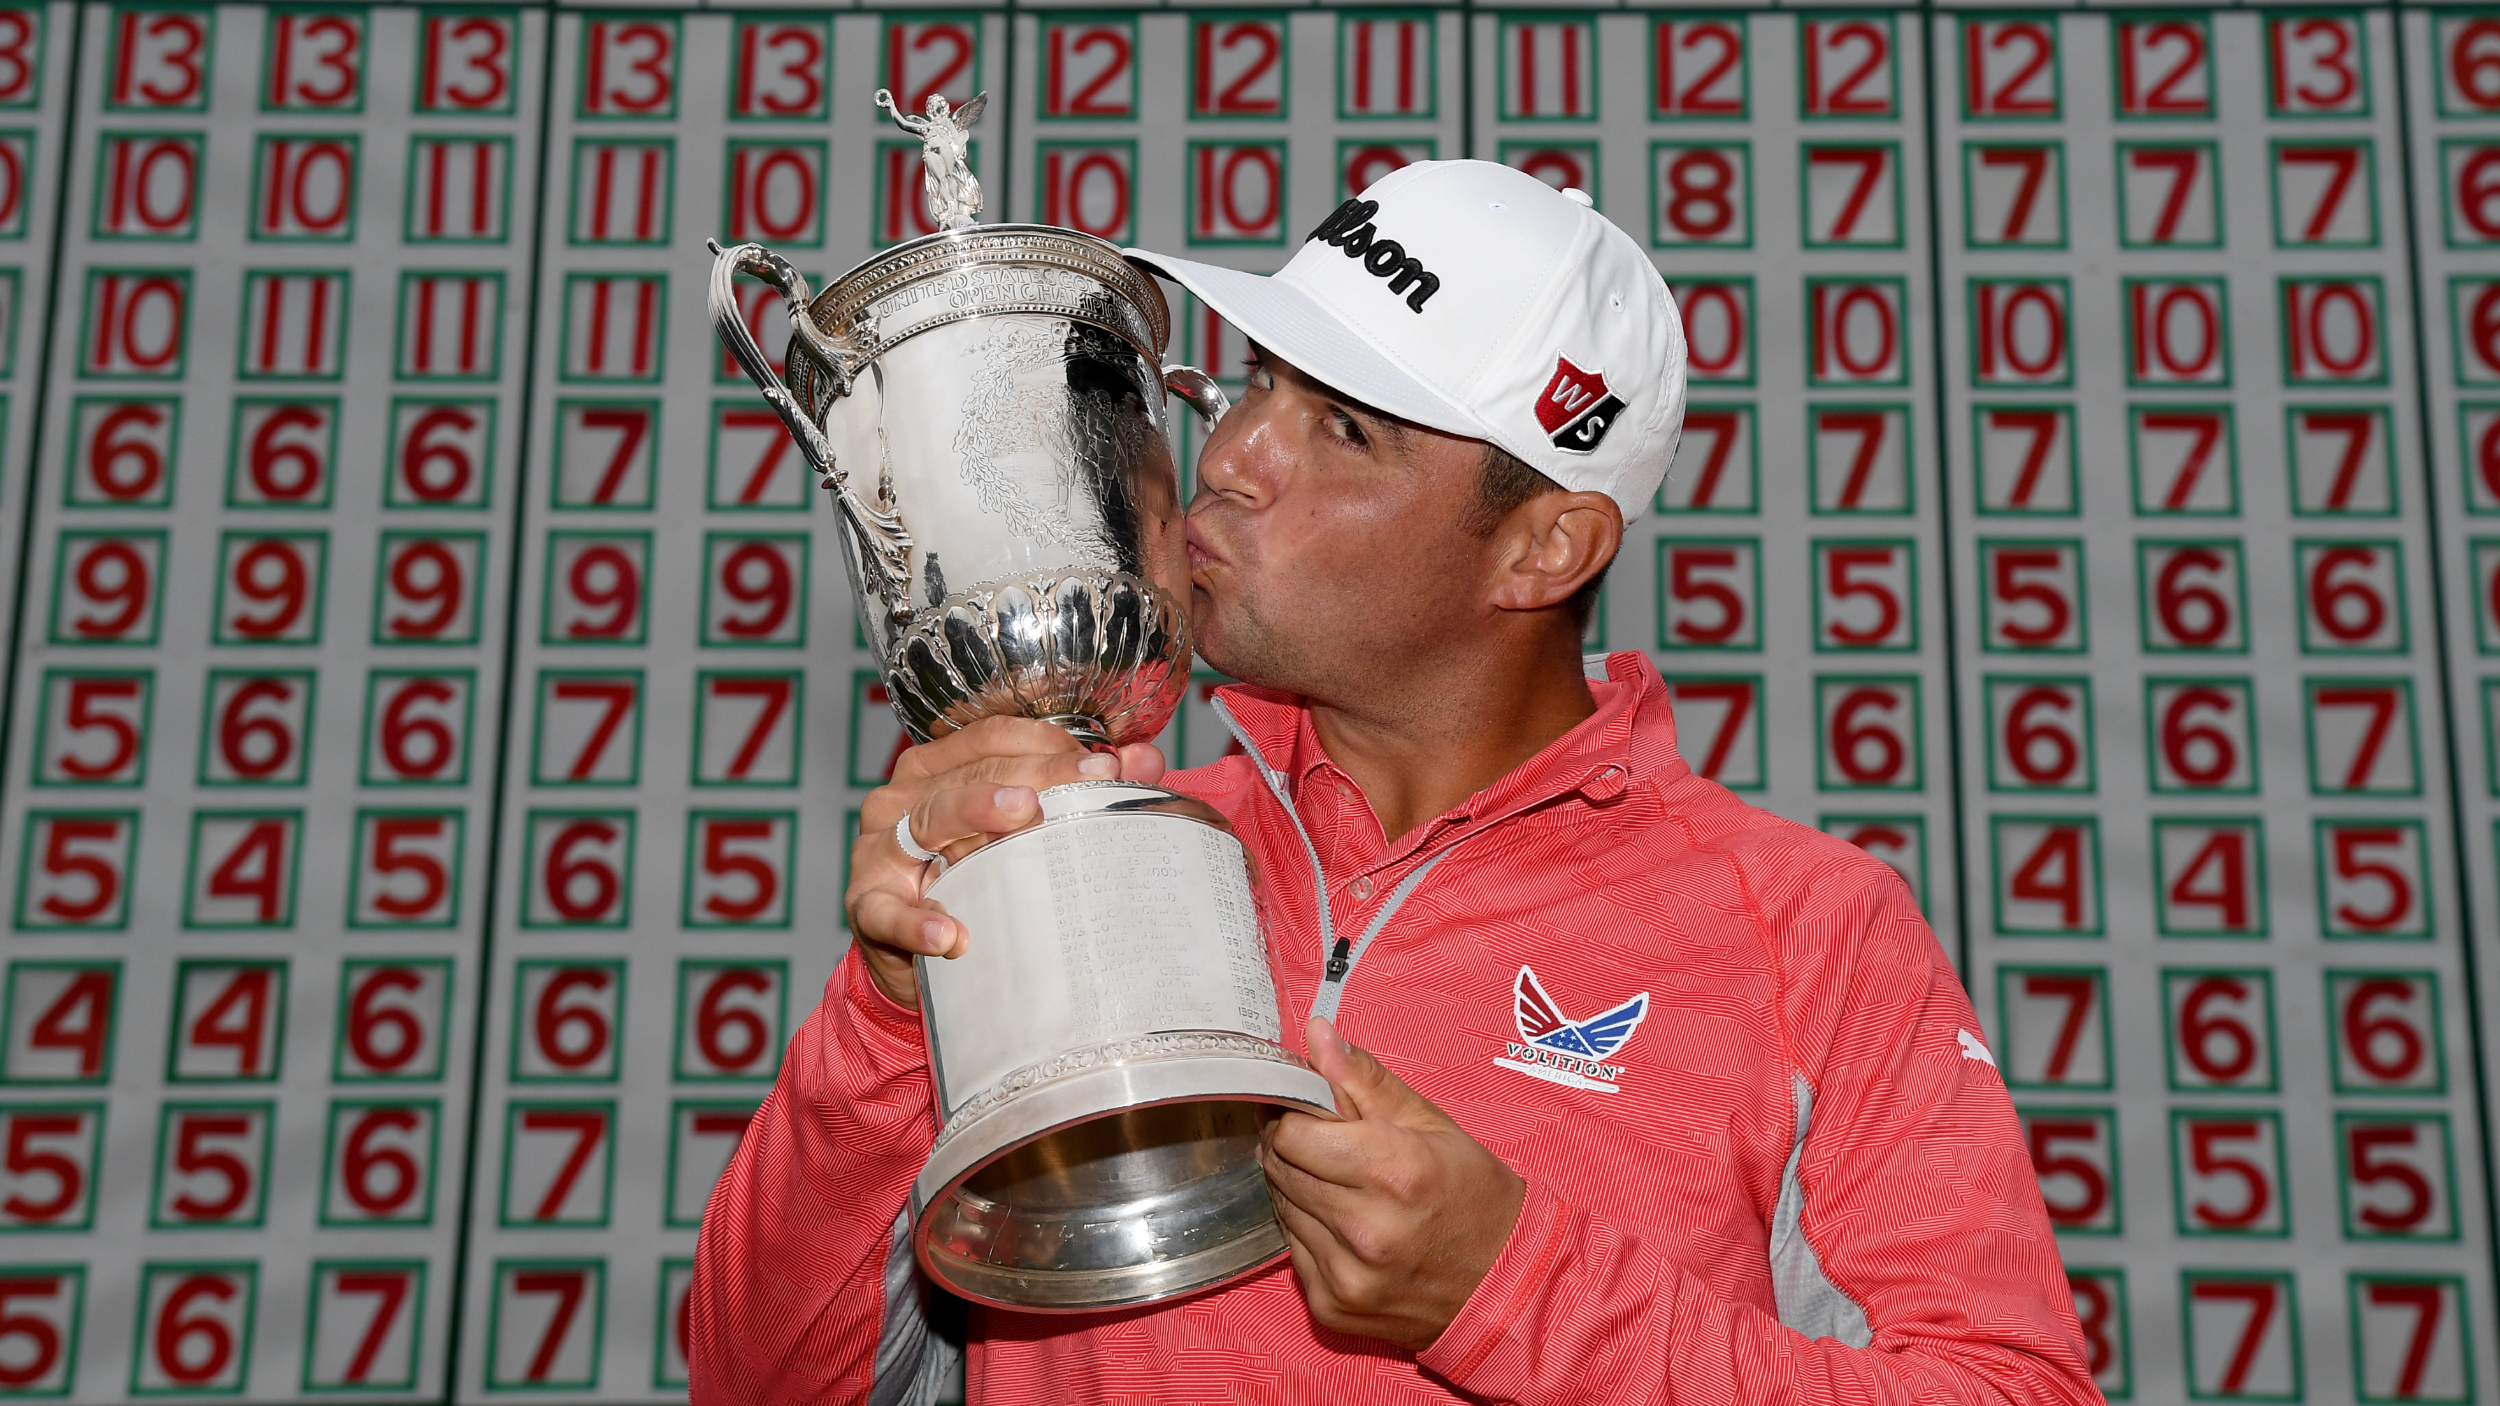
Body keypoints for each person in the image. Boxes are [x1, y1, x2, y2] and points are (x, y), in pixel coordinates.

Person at [688, 160, 2098, 1405]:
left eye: (1345, 427)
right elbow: (751, 1382)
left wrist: (1517, 1286)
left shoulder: (1812, 930)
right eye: (1254, 384)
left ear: (1545, 548)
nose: (1232, 456)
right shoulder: (1072, 830)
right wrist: (885, 1021)